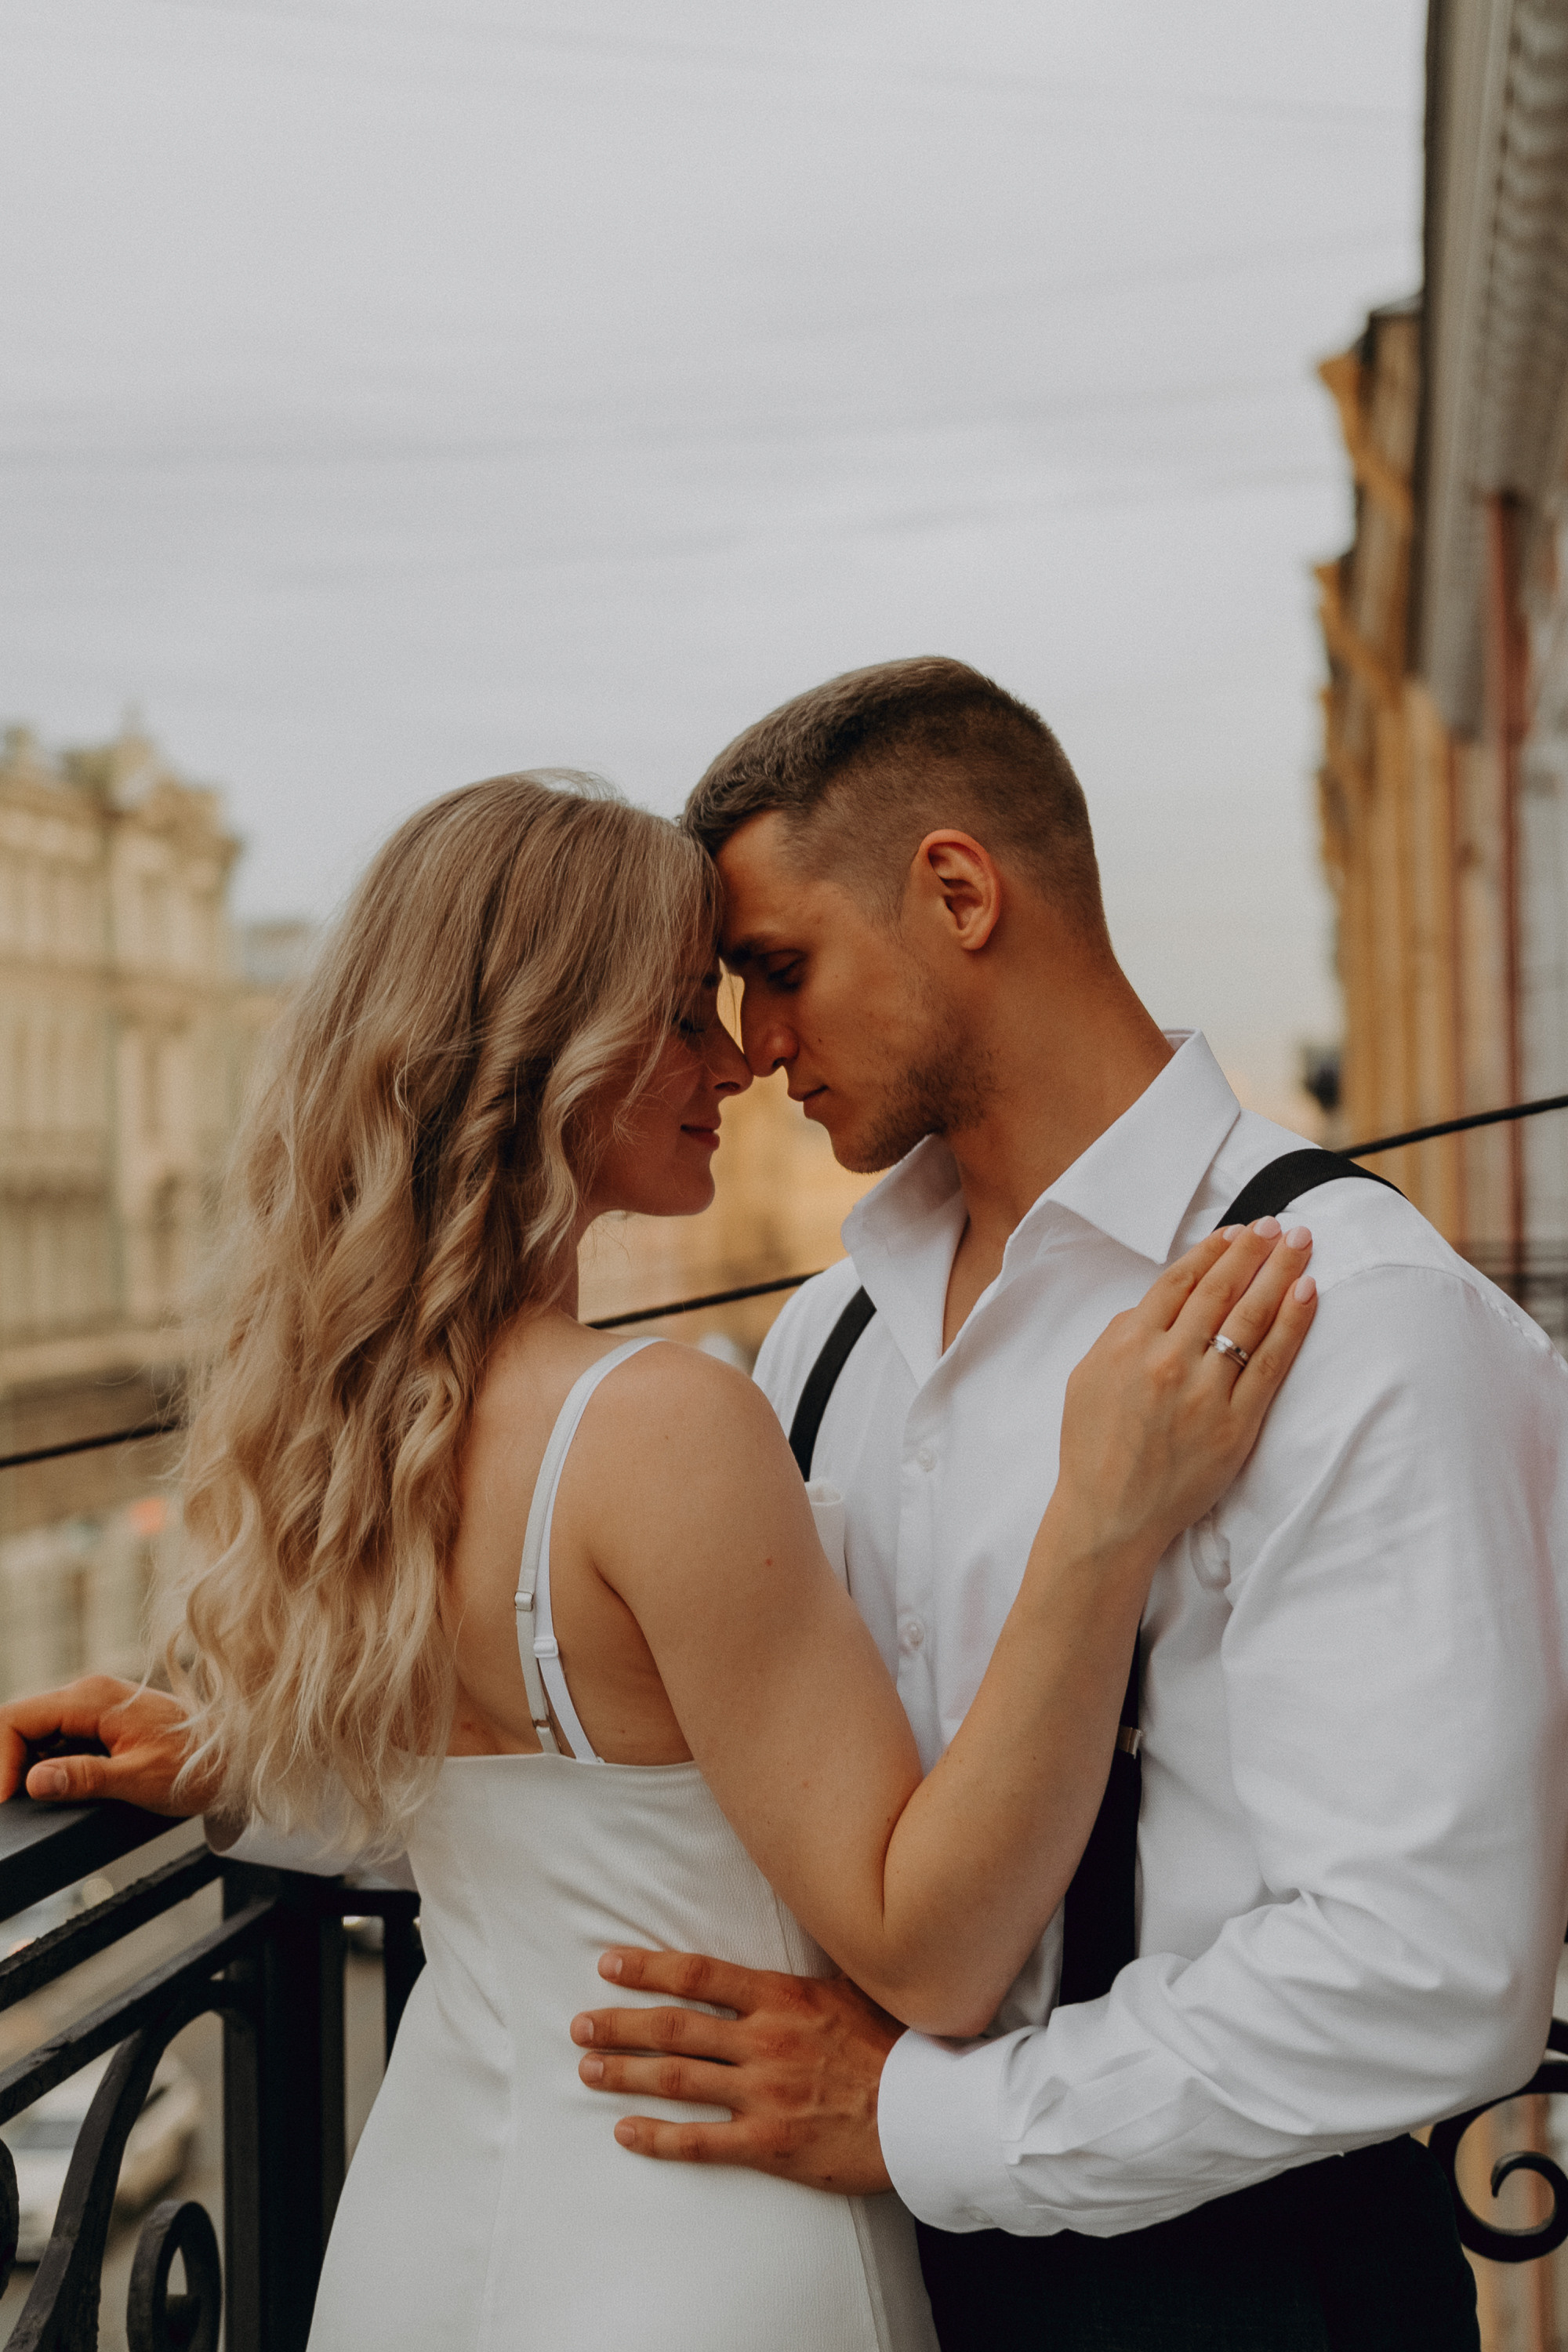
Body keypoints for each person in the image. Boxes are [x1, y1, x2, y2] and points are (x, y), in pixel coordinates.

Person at [0, 769, 1318, 2352]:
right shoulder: (660, 1421)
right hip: (692, 2241)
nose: (736, 1063)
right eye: (682, 1017)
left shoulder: (349, 1425)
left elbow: (519, 1799)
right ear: (551, 1051)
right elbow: (934, 1949)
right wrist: (1104, 1521)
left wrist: (230, 1759)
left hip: (416, 2234)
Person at [562, 657, 1568, 2352]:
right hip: (862, 2272)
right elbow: (688, 1720)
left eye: (776, 970)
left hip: (1239, 2286)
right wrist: (245, 1753)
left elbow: (1426, 1968)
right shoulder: (826, 1337)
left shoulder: (1355, 1311)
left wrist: (917, 2125)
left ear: (957, 891)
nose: (752, 1050)